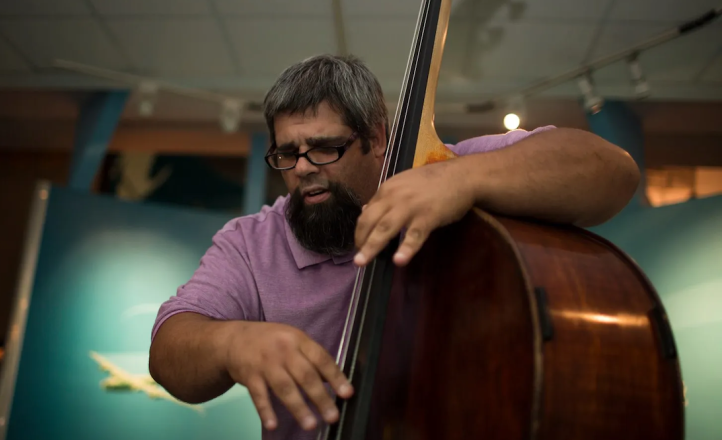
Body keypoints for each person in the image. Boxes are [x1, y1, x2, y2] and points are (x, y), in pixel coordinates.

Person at [148, 54, 640, 440]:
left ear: (378, 137)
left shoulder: (444, 168)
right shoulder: (251, 243)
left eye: (324, 147)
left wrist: (465, 179)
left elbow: (611, 171)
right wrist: (231, 343)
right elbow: (170, 349)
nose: (302, 169)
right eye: (287, 153)